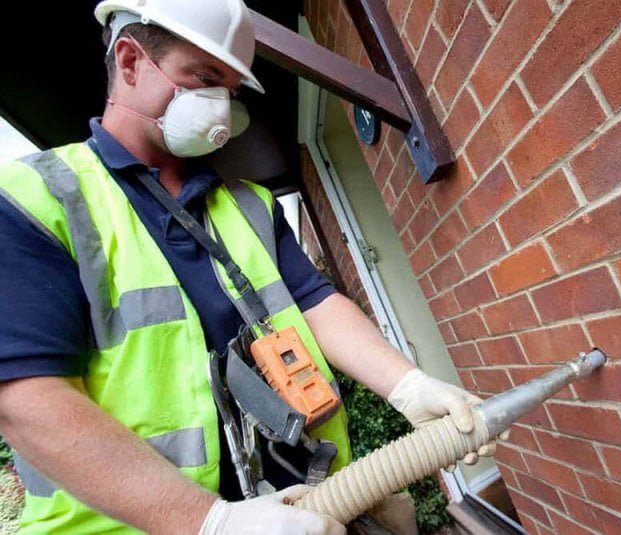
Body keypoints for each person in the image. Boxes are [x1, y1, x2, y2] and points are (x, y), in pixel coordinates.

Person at [0, 1, 499, 533]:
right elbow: (27, 397)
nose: (219, 106)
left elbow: (317, 303)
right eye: (205, 78)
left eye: (231, 90)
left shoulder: (248, 204)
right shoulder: (38, 197)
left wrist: (409, 386)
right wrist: (211, 522)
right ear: (129, 61)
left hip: (310, 509)